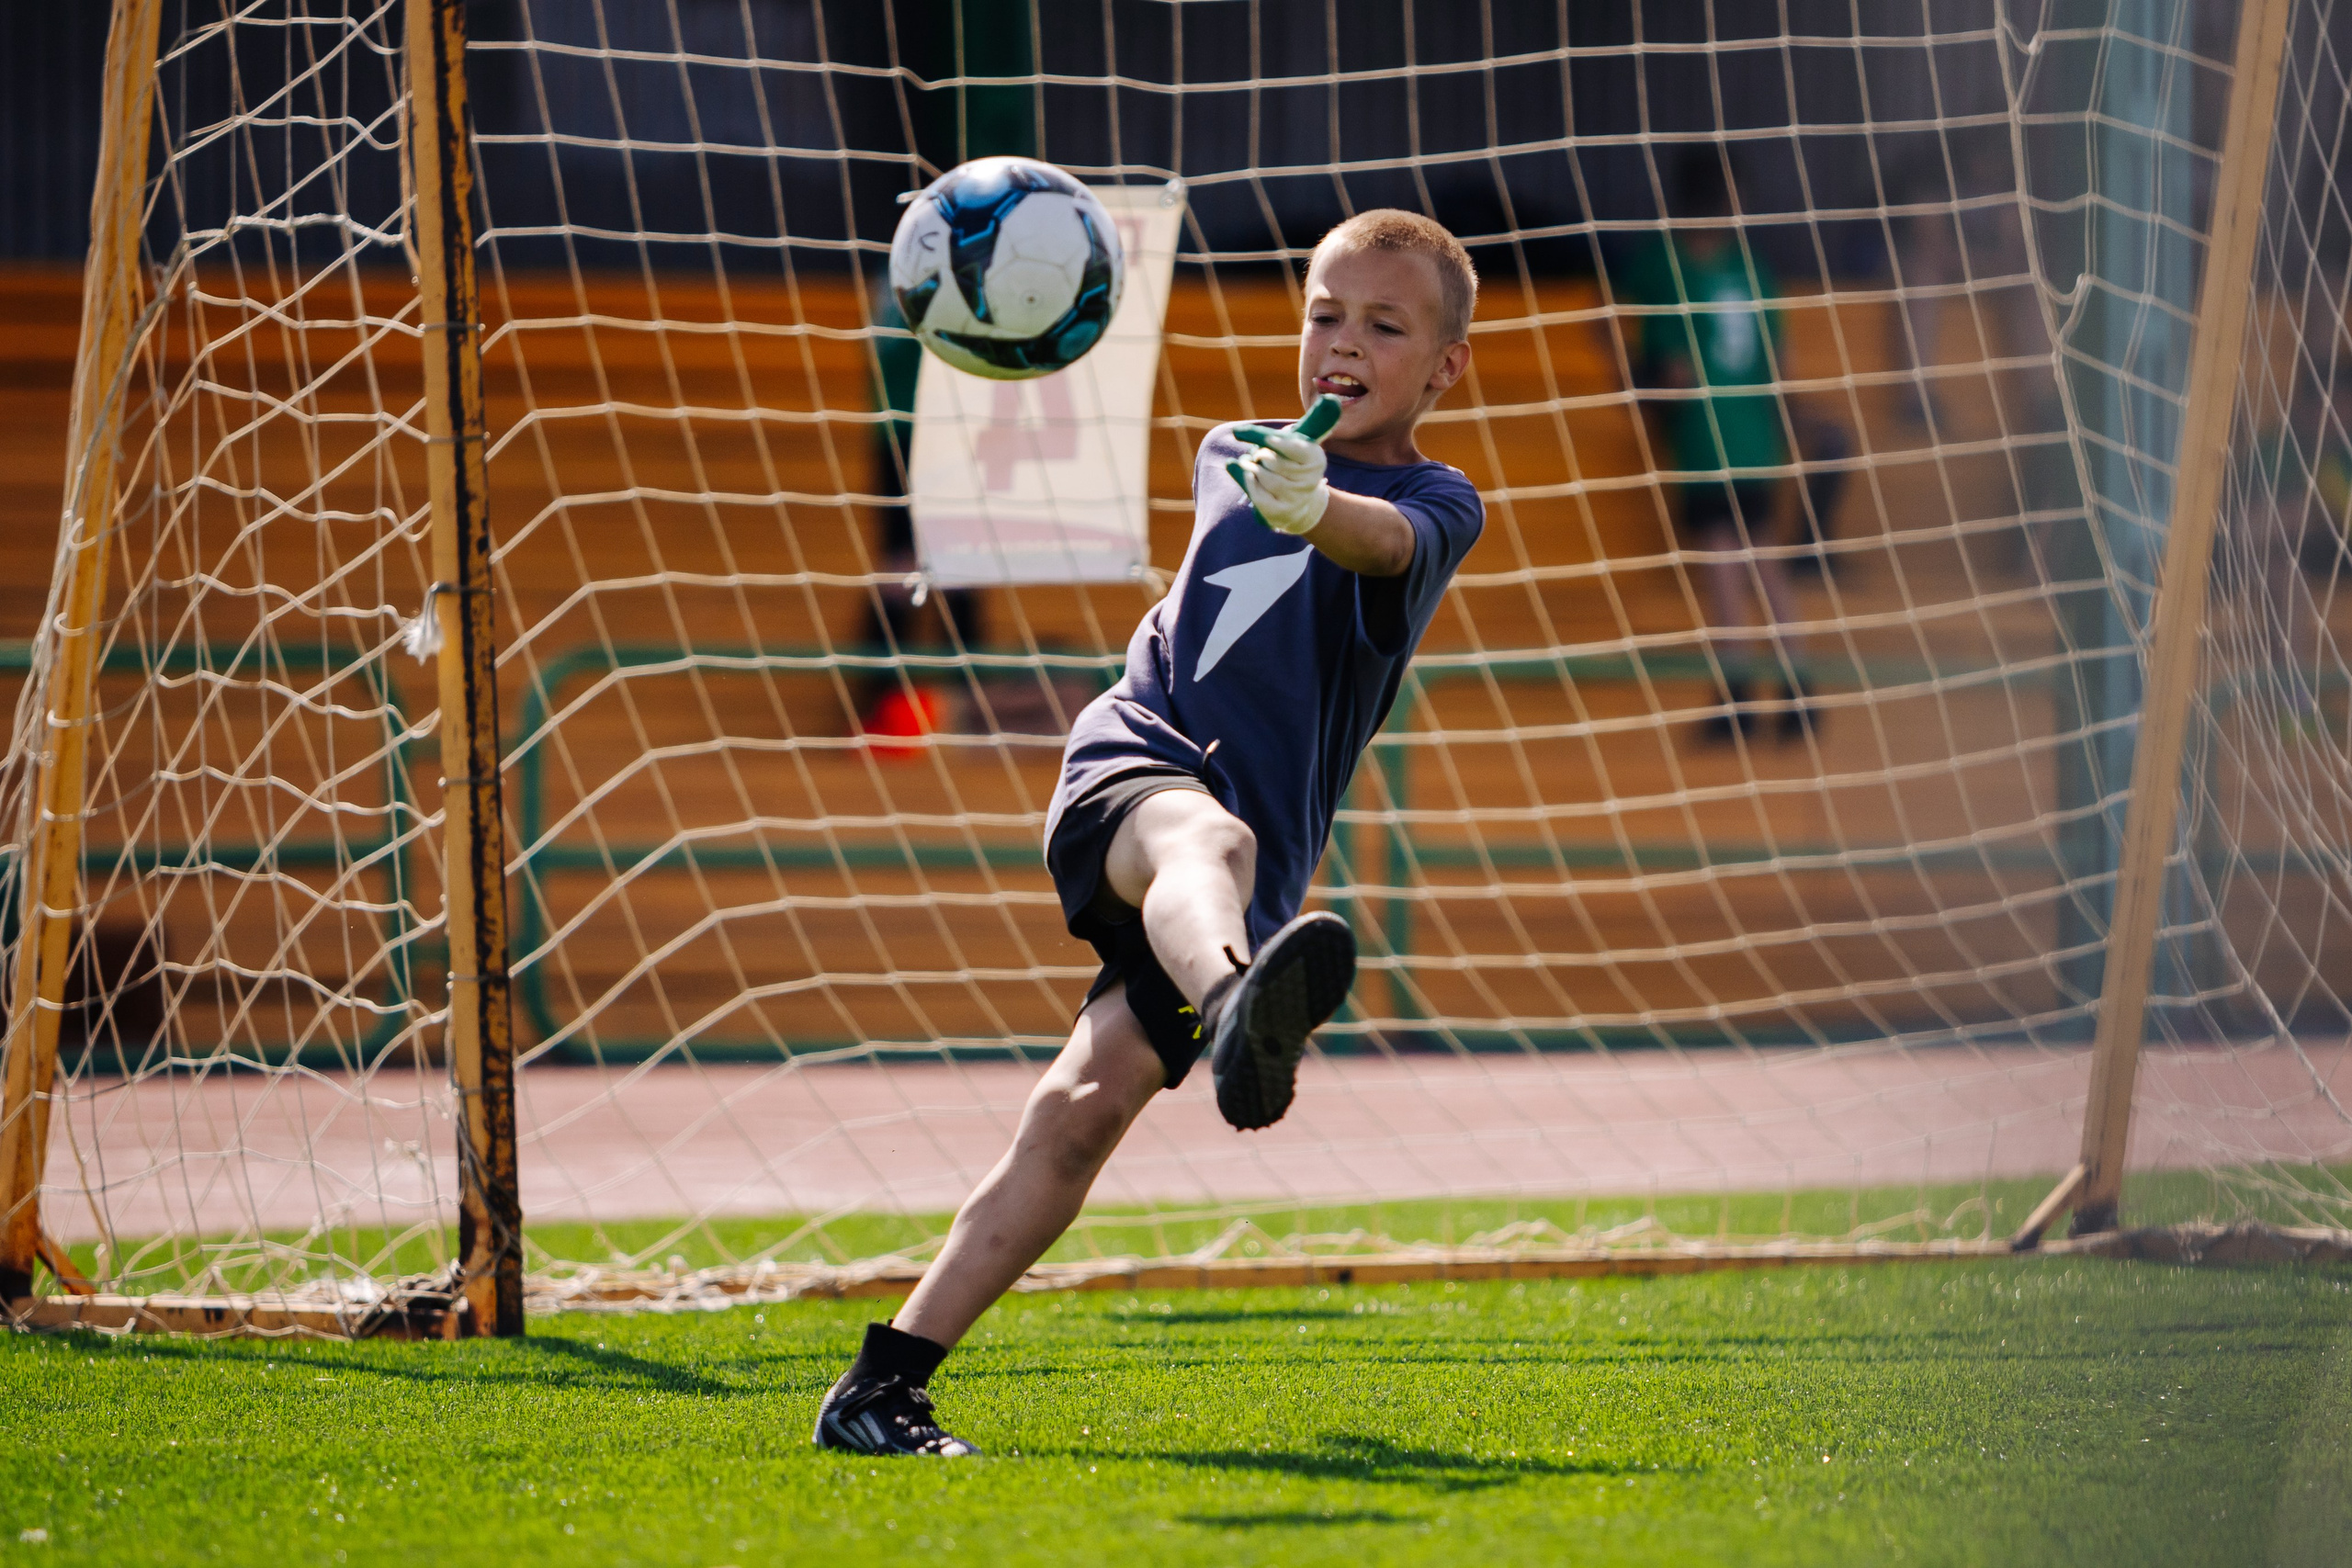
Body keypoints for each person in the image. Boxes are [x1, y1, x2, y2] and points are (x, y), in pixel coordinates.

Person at [811, 209, 1486, 1457]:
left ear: (1446, 366)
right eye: (1324, 315)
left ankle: (878, 1385)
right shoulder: (1237, 447)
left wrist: (1324, 501)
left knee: (1082, 1105)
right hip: (1138, 772)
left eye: (1385, 327)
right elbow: (1277, 499)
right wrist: (1300, 484)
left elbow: (1381, 539)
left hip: (1242, 882)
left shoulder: (1441, 500)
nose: (1342, 342)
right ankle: (1241, 1011)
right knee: (1205, 842)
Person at [1642, 150, 1815, 742]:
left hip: (1706, 439)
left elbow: (1671, 371)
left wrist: (1636, 386)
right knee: (1763, 561)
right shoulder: (1752, 268)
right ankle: (1799, 689)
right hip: (1754, 441)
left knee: (1724, 564)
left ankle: (1738, 696)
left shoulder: (1670, 267)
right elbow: (1783, 365)